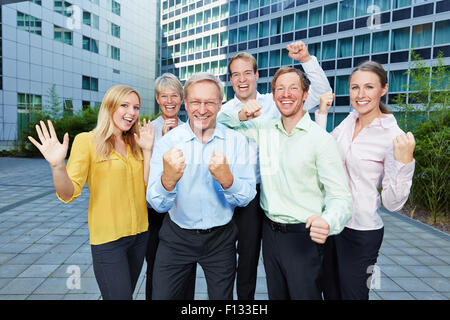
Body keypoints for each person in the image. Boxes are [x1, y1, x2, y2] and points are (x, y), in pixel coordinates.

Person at [217, 67, 353, 300]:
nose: (286, 94)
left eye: (293, 88)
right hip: (271, 235)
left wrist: (329, 221)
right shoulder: (265, 127)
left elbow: (341, 197)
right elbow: (220, 120)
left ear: (304, 94)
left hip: (304, 236)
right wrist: (241, 114)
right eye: (280, 88)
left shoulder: (321, 140)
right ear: (273, 95)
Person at [28, 85, 155, 300]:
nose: (132, 112)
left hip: (140, 236)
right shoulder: (87, 141)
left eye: (136, 107)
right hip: (109, 241)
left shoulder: (135, 142)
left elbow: (147, 188)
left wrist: (148, 150)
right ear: (109, 107)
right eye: (124, 105)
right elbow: (68, 193)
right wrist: (57, 166)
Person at [147, 73, 257, 300]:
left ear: (220, 105)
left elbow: (247, 196)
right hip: (176, 238)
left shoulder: (236, 142)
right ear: (186, 104)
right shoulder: (168, 142)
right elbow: (156, 203)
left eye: (210, 102)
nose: (202, 109)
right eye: (196, 102)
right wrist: (167, 180)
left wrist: (229, 181)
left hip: (221, 240)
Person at [316, 61, 416, 300]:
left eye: (369, 87)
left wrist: (404, 163)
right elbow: (324, 151)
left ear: (383, 89)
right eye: (354, 88)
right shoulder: (350, 120)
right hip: (332, 222)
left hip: (361, 231)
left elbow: (392, 204)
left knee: (354, 295)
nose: (360, 95)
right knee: (329, 292)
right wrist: (322, 114)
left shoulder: (393, 136)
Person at [145, 73, 195, 300]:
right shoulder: (147, 130)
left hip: (183, 209)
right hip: (156, 212)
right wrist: (164, 141)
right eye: (164, 96)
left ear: (182, 98)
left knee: (186, 268)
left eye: (174, 95)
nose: (169, 100)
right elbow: (146, 174)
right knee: (156, 267)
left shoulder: (192, 128)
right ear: (157, 98)